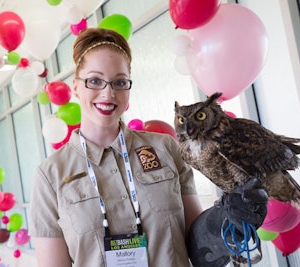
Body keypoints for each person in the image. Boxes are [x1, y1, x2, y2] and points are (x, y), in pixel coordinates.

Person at [29, 27, 268, 267]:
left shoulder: (166, 149)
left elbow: (198, 248)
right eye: (94, 81)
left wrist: (225, 221)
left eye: (119, 82)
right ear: (76, 86)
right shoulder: (51, 176)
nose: (108, 93)